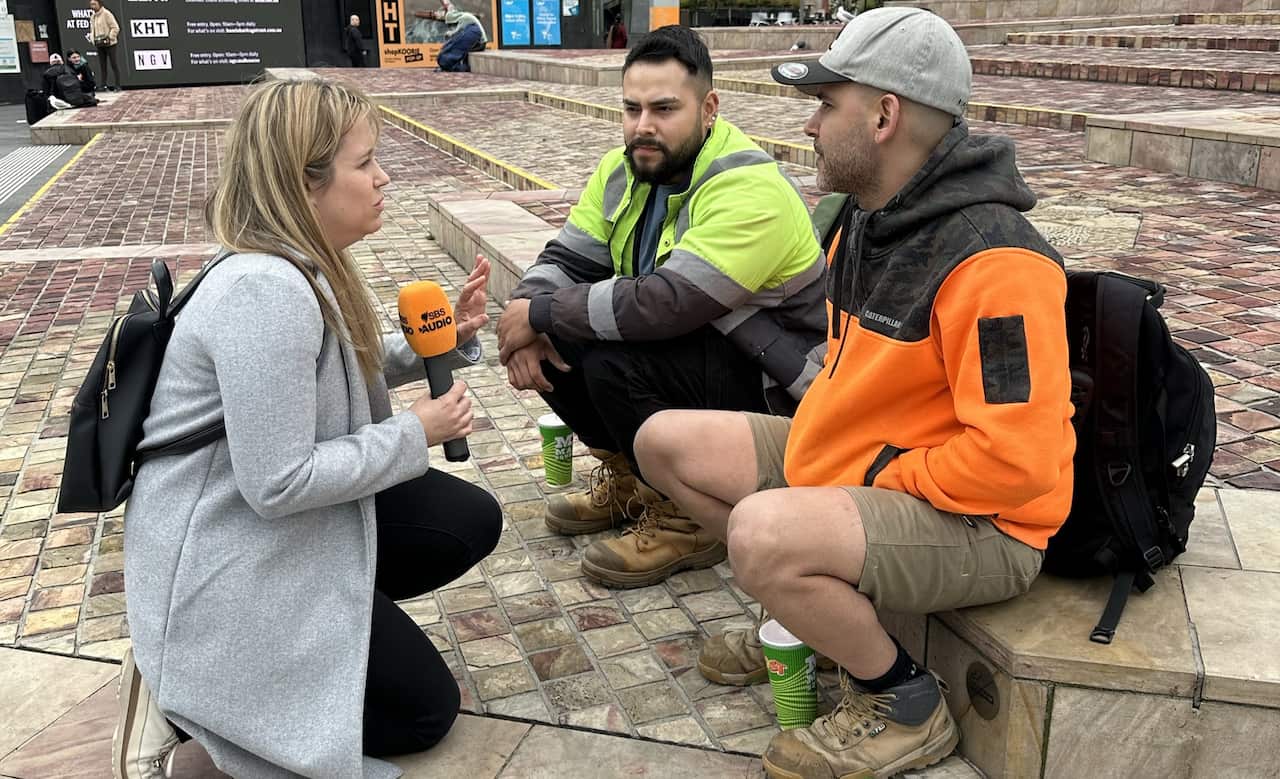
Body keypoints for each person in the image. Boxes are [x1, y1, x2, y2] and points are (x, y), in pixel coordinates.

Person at [633, 8, 1075, 778]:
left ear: (883, 117)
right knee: (662, 442)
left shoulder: (997, 264)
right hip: (869, 463)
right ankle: (812, 619)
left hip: (987, 525)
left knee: (762, 534)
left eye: (825, 104)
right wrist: (839, 468)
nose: (809, 125)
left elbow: (1018, 462)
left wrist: (864, 476)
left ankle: (905, 701)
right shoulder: (863, 220)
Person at [113, 79, 502, 778]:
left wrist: (440, 343)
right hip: (222, 567)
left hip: (262, 534)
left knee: (464, 517)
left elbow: (331, 369)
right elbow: (278, 482)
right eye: (365, 162)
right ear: (304, 182)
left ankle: (329, 623)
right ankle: (196, 707)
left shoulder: (295, 266)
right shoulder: (263, 292)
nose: (383, 178)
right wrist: (415, 430)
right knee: (424, 713)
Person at [496, 25, 825, 589]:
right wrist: (529, 312)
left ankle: (691, 516)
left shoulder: (749, 187)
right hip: (702, 353)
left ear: (709, 108)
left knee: (610, 357)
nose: (643, 126)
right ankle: (633, 478)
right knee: (563, 336)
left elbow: (669, 303)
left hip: (774, 383)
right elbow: (567, 257)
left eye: (664, 109)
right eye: (632, 108)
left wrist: (541, 313)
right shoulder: (624, 168)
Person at [88, 0, 121, 91]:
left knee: (114, 64)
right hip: (99, 44)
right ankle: (103, 85)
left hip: (110, 44)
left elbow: (115, 27)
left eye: (94, 4)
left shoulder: (107, 14)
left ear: (100, 4)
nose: (92, 6)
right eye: (91, 4)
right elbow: (92, 30)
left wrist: (110, 37)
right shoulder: (93, 17)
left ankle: (117, 85)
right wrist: (93, 39)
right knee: (102, 65)